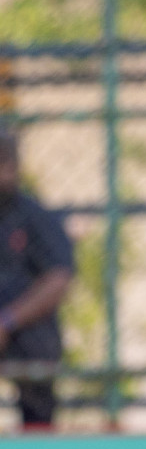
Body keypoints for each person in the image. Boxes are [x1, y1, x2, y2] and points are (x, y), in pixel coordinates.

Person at [0, 129, 75, 432]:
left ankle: (38, 435)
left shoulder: (35, 217)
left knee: (38, 350)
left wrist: (7, 321)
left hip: (23, 333)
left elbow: (58, 278)